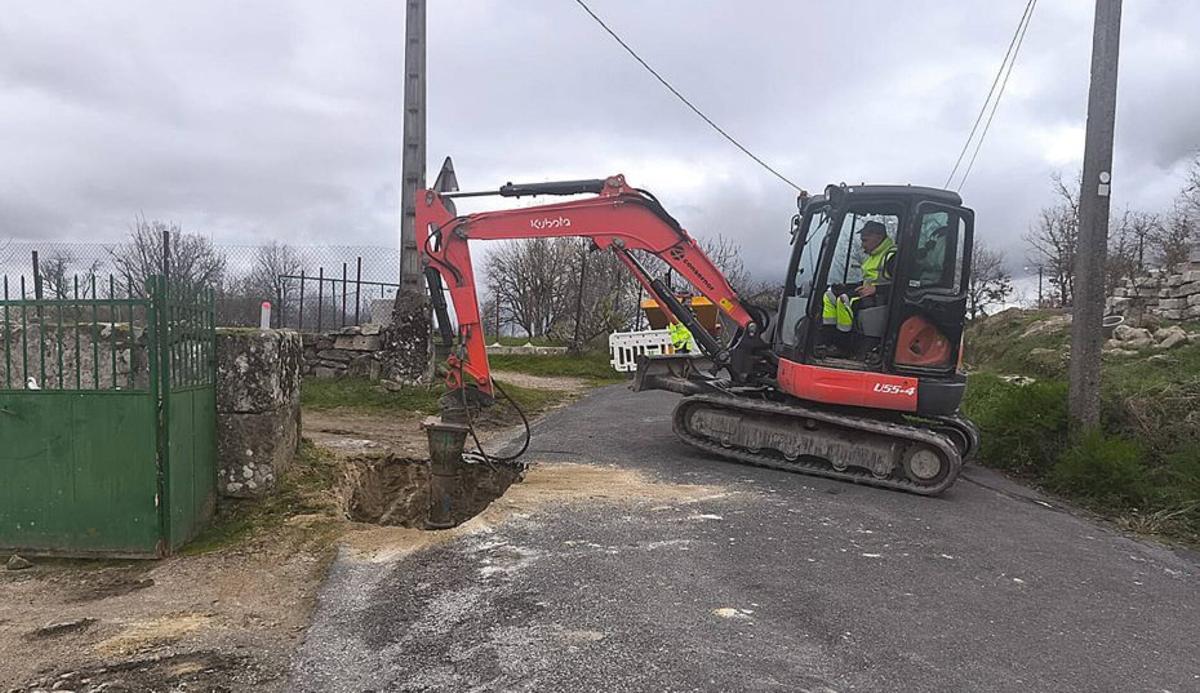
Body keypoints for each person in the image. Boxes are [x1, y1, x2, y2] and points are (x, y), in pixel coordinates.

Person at [819, 220, 897, 353]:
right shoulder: (874, 255)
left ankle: (843, 346)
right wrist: (846, 286)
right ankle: (826, 340)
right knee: (830, 295)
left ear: (878, 237)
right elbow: (868, 281)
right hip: (869, 294)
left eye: (865, 240)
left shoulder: (892, 256)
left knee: (844, 300)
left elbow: (903, 285)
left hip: (883, 299)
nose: (862, 245)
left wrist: (876, 289)